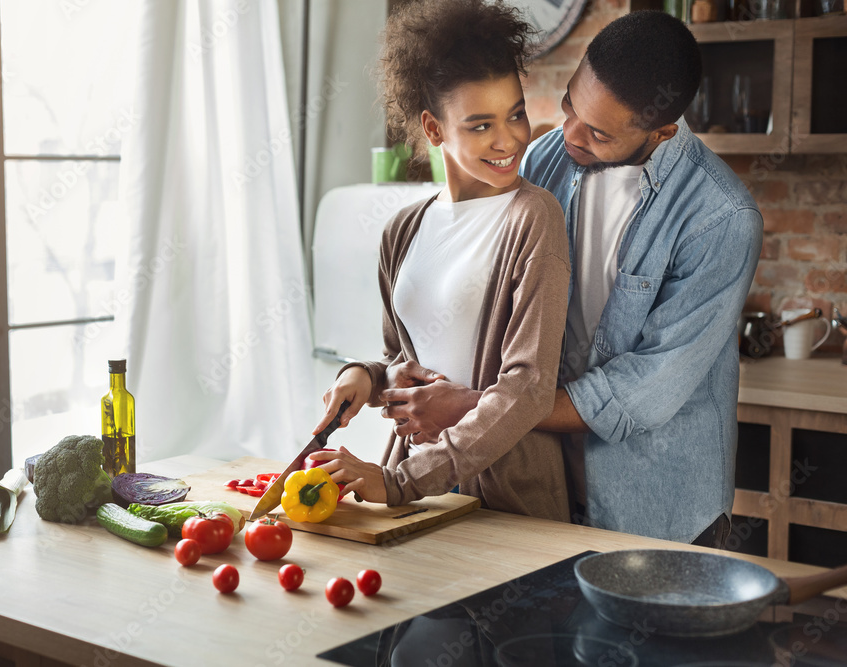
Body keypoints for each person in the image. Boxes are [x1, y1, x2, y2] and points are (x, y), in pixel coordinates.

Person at [371, 11, 764, 548]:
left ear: (661, 130)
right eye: (570, 106)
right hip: (542, 485)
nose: (569, 135)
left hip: (654, 506)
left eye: (598, 132)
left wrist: (472, 406)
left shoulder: (720, 218)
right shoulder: (547, 158)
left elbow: (638, 395)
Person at [310, 0, 572, 521]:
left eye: (515, 114)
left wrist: (401, 482)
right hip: (419, 491)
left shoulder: (535, 217)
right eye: (480, 126)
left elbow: (529, 389)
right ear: (433, 130)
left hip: (508, 500)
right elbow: (399, 359)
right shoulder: (402, 229)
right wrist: (366, 377)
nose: (509, 139)